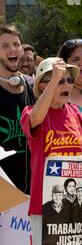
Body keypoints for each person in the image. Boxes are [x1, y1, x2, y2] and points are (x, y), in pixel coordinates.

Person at [20, 57, 82, 245]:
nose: (67, 85)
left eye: (69, 80)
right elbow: (36, 119)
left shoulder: (76, 114)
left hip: (78, 207)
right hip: (47, 207)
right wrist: (53, 79)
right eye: (60, 80)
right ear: (43, 85)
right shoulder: (31, 112)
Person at [0, 24, 36, 194]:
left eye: (16, 44)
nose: (12, 49)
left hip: (35, 187)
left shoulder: (32, 86)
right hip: (4, 192)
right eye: (5, 46)